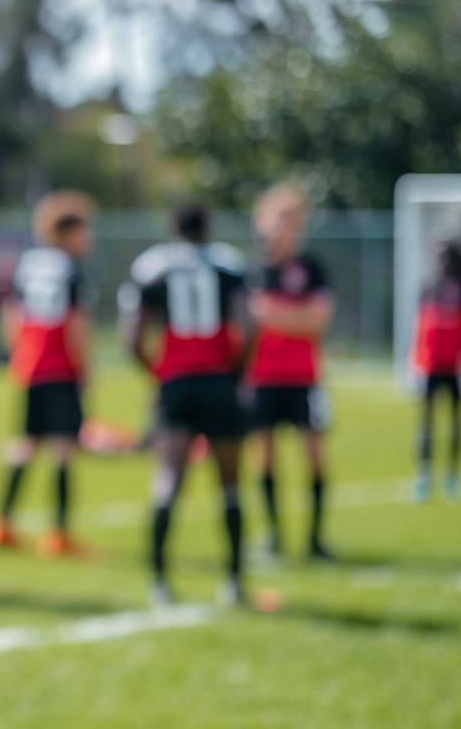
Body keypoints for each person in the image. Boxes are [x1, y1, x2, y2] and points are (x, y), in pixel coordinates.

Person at [123, 205, 254, 607]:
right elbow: (249, 328)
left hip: (175, 383)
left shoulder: (153, 267)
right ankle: (233, 581)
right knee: (229, 483)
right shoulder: (228, 264)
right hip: (217, 381)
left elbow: (131, 338)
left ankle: (159, 581)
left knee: (168, 480)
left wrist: (158, 373)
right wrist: (233, 372)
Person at [0, 191, 95, 558]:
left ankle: (1, 523)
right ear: (67, 232)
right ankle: (59, 533)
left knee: (27, 445)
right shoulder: (70, 267)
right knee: (63, 450)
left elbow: (11, 317)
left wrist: (22, 353)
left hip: (31, 367)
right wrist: (85, 367)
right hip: (61, 368)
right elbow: (76, 323)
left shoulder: (28, 264)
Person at [245, 185, 335, 560]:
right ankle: (273, 536)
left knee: (314, 455)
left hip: (304, 377)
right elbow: (249, 319)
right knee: (263, 456)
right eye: (276, 219)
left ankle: (316, 540)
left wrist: (272, 315)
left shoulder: (311, 268)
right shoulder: (252, 270)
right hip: (261, 378)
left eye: (290, 220)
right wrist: (291, 317)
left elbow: (317, 322)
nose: (281, 228)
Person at [410, 240, 461, 502]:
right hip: (430, 364)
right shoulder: (429, 285)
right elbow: (422, 324)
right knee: (426, 422)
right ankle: (424, 474)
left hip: (455, 365)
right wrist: (415, 361)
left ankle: (452, 474)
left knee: (455, 420)